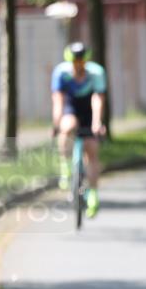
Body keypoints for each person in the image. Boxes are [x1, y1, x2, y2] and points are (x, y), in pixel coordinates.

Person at [51, 41, 107, 218]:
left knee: (91, 151)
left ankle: (93, 194)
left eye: (81, 63)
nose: (78, 66)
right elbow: (58, 101)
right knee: (67, 128)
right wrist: (56, 124)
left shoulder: (96, 72)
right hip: (71, 107)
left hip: (89, 110)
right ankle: (65, 166)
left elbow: (97, 99)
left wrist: (97, 123)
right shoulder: (61, 73)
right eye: (75, 63)